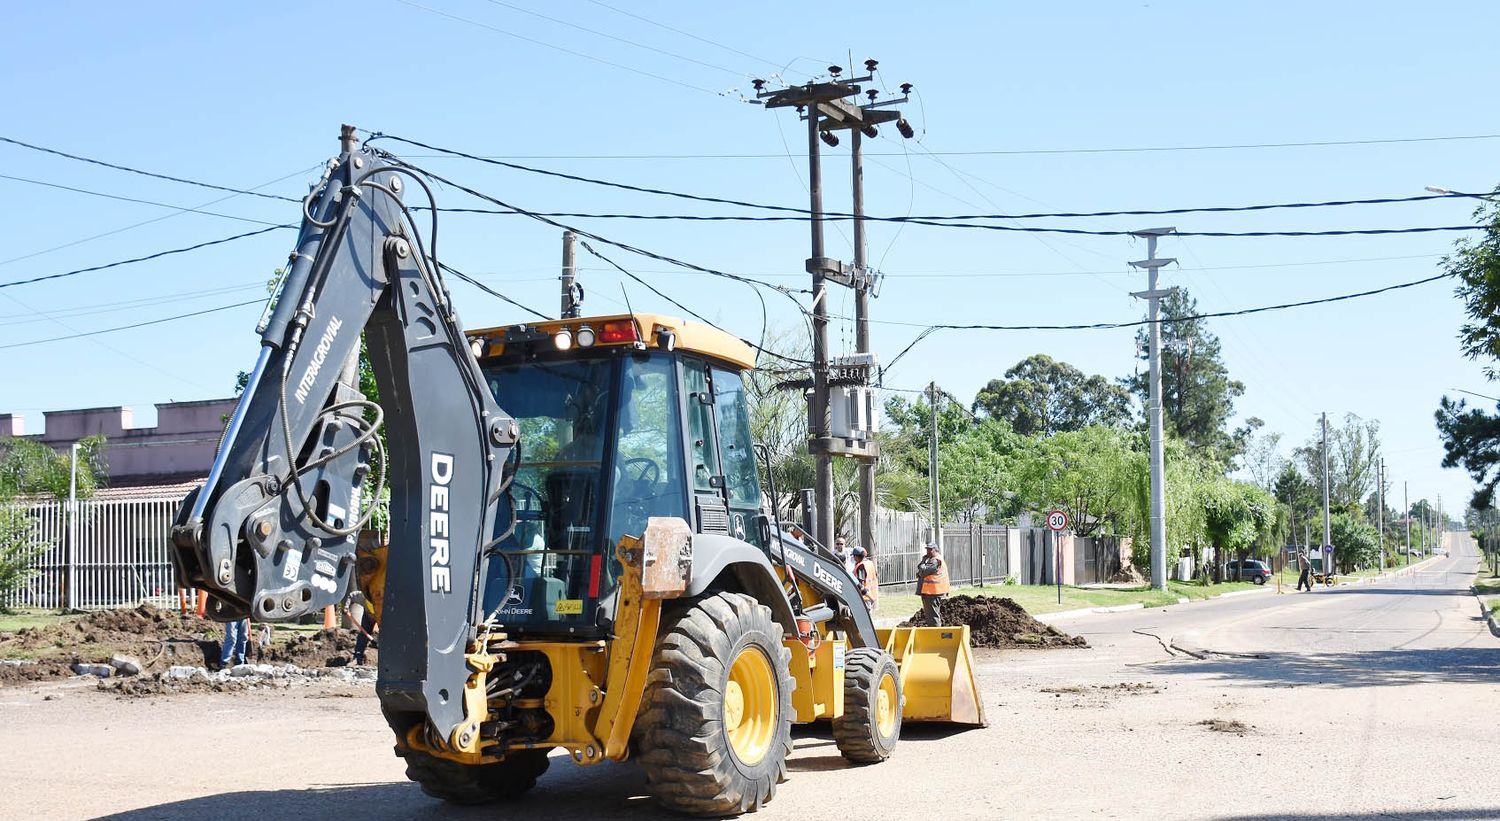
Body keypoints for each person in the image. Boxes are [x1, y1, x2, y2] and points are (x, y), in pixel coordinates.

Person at [916, 542, 950, 625]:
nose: (928, 551)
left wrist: (923, 561)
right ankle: (934, 633)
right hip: (931, 592)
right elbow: (921, 570)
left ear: (935, 550)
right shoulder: (934, 560)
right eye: (927, 549)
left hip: (933, 593)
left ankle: (936, 634)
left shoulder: (935, 561)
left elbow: (923, 571)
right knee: (931, 616)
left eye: (930, 549)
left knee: (933, 617)